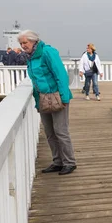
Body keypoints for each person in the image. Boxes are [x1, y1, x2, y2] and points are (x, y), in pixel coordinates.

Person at [18, 30, 76, 175]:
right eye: (21, 43)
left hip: (56, 96)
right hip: (43, 99)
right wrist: (38, 102)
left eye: (25, 42)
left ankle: (69, 162)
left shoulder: (47, 52)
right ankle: (57, 162)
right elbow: (35, 81)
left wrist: (64, 97)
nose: (23, 46)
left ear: (33, 41)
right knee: (49, 132)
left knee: (61, 131)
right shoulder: (31, 57)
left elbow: (61, 75)